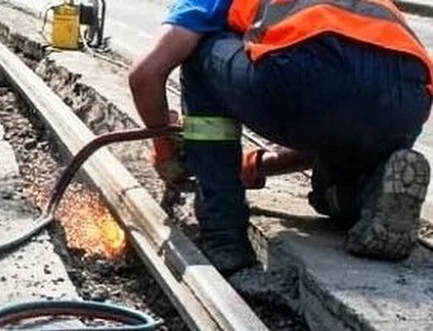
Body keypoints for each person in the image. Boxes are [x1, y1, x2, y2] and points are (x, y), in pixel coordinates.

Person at [127, 0, 433, 274]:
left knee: (197, 53)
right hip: (405, 104)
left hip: (306, 78)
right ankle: (371, 193)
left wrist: (166, 151)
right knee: (331, 189)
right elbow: (343, 96)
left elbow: (145, 74)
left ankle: (223, 236)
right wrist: (256, 166)